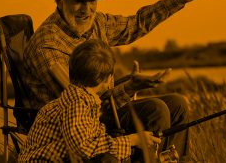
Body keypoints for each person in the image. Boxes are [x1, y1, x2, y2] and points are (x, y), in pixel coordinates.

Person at [23, 0, 213, 161]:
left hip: (99, 107)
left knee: (178, 103)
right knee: (155, 109)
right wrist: (129, 88)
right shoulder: (47, 46)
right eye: (79, 1)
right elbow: (82, 101)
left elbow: (137, 23)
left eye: (92, 2)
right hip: (73, 123)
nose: (86, 10)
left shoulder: (98, 22)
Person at [18, 39, 162, 162]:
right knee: (106, 159)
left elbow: (90, 143)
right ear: (108, 79)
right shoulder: (77, 102)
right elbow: (83, 148)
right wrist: (134, 140)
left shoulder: (82, 99)